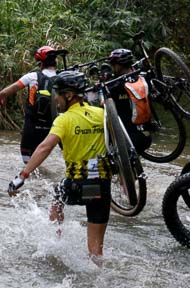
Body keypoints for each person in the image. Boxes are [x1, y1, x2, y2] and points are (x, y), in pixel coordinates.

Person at [8, 71, 114, 257]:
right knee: (96, 248)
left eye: (58, 93)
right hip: (102, 185)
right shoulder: (101, 114)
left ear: (69, 95)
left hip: (77, 183)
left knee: (57, 201)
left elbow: (44, 148)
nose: (55, 98)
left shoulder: (63, 120)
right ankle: (98, 278)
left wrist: (22, 176)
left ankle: (55, 246)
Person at [0, 46, 59, 164]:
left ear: (40, 63)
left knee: (27, 159)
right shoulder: (61, 79)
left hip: (32, 125)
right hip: (52, 127)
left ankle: (31, 177)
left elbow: (6, 91)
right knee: (41, 154)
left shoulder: (32, 76)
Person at [105, 48, 151, 154]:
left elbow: (104, 105)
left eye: (113, 64)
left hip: (127, 139)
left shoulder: (114, 86)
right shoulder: (143, 79)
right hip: (146, 136)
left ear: (118, 65)